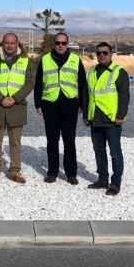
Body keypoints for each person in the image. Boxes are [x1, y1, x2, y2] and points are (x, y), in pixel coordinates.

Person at [34, 32, 88, 185]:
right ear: (54, 44)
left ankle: (71, 173)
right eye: (58, 43)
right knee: (52, 141)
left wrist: (82, 105)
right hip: (50, 104)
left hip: (70, 105)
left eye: (63, 43)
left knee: (69, 141)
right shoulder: (45, 60)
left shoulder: (75, 60)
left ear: (68, 44)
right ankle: (52, 172)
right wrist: (38, 103)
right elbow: (38, 83)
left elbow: (82, 84)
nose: (60, 45)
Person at [0, 32, 35, 184]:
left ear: (17, 43)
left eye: (12, 43)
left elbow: (29, 82)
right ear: (2, 43)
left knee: (15, 141)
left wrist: (14, 98)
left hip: (17, 105)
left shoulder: (26, 61)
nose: (9, 45)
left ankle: (15, 170)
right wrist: (1, 99)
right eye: (6, 42)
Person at [83, 42, 130, 196]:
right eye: (99, 53)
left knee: (115, 153)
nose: (101, 55)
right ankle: (102, 180)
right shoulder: (91, 72)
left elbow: (124, 96)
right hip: (95, 119)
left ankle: (115, 184)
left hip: (111, 120)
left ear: (111, 54)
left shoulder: (119, 72)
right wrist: (85, 115)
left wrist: (120, 116)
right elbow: (86, 95)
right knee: (99, 152)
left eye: (104, 52)